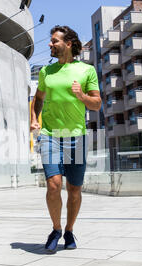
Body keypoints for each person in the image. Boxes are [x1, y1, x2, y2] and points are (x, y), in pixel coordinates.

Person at [30, 26, 101, 252]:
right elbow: (38, 98)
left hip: (77, 137)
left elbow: (97, 104)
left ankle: (69, 230)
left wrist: (81, 95)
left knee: (74, 189)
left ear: (68, 43)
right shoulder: (46, 72)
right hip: (51, 135)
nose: (49, 44)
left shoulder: (87, 70)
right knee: (53, 185)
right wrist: (34, 118)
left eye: (54, 41)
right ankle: (56, 228)